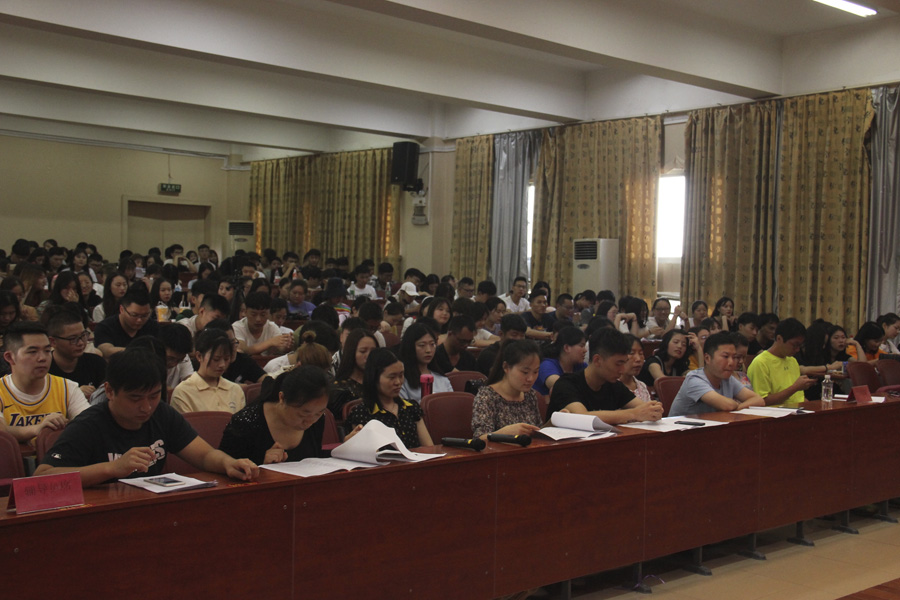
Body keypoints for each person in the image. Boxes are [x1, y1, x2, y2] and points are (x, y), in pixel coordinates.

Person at [34, 347, 257, 486]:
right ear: (110, 391)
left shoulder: (162, 414)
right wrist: (112, 468)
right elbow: (42, 477)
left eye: (154, 396)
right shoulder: (88, 424)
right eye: (135, 398)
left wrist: (229, 463)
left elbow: (205, 456)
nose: (146, 407)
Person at [547, 328, 663, 424]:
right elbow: (582, 417)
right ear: (597, 360)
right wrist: (634, 414)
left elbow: (644, 408)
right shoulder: (566, 384)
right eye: (618, 364)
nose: (622, 370)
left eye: (624, 363)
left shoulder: (614, 385)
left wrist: (654, 409)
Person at [219, 366, 329, 465]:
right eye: (302, 414)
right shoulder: (245, 423)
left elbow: (313, 460)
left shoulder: (317, 420)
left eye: (318, 413)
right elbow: (226, 470)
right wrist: (261, 465)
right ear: (282, 398)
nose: (310, 421)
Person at [1, 322, 90, 442]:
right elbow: (2, 432)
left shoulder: (67, 387)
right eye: (33, 352)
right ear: (9, 357)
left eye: (47, 351)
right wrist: (36, 428)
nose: (42, 358)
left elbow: (89, 425)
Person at [346, 348, 433, 448]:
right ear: (374, 378)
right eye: (392, 377)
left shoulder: (411, 407)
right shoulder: (362, 413)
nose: (398, 382)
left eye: (401, 375)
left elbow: (429, 447)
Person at [669, 332, 766, 417]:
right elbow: (727, 405)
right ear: (707, 358)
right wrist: (737, 406)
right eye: (726, 356)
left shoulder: (727, 378)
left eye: (734, 357)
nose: (731, 362)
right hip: (682, 430)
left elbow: (758, 400)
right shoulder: (694, 379)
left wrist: (738, 407)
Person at [470, 339, 544, 440]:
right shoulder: (487, 396)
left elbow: (537, 431)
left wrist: (554, 422)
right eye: (525, 372)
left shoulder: (530, 395)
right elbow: (479, 439)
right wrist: (505, 433)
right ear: (506, 367)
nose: (531, 378)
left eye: (535, 372)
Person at [171, 328, 246, 414]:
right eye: (216, 359)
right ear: (199, 356)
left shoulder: (235, 390)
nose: (222, 365)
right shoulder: (183, 392)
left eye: (226, 359)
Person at [747, 318, 815, 407]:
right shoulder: (761, 363)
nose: (797, 350)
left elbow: (797, 397)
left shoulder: (792, 360)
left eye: (800, 346)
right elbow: (762, 401)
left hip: (797, 410)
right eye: (795, 345)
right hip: (774, 413)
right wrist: (795, 388)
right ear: (779, 338)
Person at [47, 308, 106, 397]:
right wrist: (75, 393)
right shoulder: (44, 369)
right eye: (73, 339)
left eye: (83, 335)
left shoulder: (96, 363)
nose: (81, 343)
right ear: (53, 342)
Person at [93, 289, 160, 357]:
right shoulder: (105, 327)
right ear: (122, 309)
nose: (139, 320)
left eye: (145, 315)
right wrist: (141, 352)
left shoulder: (152, 326)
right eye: (134, 315)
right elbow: (106, 350)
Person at [328, 329, 377, 417]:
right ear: (351, 352)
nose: (369, 356)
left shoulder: (380, 383)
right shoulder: (339, 389)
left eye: (373, 351)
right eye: (363, 351)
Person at [399, 323, 453, 402]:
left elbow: (451, 405)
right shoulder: (401, 380)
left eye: (432, 344)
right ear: (410, 346)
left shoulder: (442, 379)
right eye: (422, 345)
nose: (428, 350)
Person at [233, 291, 293, 356]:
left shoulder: (272, 327)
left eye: (263, 315)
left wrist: (288, 344)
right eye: (253, 314)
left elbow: (282, 348)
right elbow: (243, 350)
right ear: (245, 312)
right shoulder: (237, 327)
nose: (258, 319)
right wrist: (270, 342)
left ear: (269, 313)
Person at [534, 325, 586, 396]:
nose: (585, 350)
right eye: (581, 346)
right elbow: (560, 387)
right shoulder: (547, 365)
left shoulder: (581, 365)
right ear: (567, 348)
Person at [157, 322, 195, 392]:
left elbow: (191, 383)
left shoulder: (184, 358)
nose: (174, 364)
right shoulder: (149, 360)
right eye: (170, 358)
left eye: (179, 360)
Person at [621, 334, 652, 403]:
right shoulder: (609, 387)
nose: (638, 359)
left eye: (641, 353)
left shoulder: (642, 386)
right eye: (631, 353)